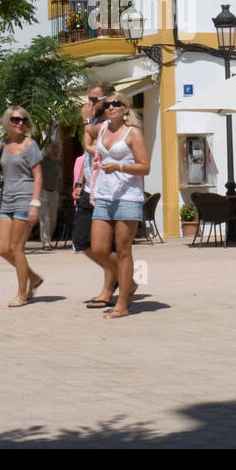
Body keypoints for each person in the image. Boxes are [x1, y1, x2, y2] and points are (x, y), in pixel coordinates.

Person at [88, 93, 150, 319]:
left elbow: (145, 167)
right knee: (98, 248)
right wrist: (87, 115)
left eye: (117, 104)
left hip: (128, 196)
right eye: (108, 105)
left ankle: (122, 303)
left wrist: (120, 167)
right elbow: (87, 133)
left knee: (124, 251)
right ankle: (129, 280)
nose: (111, 107)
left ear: (126, 109)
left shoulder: (133, 133)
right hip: (104, 195)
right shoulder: (103, 128)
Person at [76, 81, 119, 309]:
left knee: (106, 246)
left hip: (107, 190)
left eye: (94, 100)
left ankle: (107, 289)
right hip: (88, 190)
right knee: (81, 240)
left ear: (107, 99)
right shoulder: (93, 122)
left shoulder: (112, 123)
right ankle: (123, 275)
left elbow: (93, 147)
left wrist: (86, 123)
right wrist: (78, 181)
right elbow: (86, 156)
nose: (89, 104)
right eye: (89, 99)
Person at [0, 106, 43, 308]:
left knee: (16, 249)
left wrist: (35, 204)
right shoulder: (4, 146)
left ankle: (22, 294)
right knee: (3, 248)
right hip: (7, 199)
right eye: (15, 119)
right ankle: (33, 277)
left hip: (25, 197)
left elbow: (38, 176)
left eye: (23, 119)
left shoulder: (30, 146)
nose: (20, 123)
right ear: (8, 121)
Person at [38, 138, 62, 250]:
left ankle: (48, 239)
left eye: (58, 151)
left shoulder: (58, 163)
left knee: (53, 218)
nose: (58, 153)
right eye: (55, 151)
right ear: (49, 152)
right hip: (43, 192)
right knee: (44, 218)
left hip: (54, 192)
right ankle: (46, 242)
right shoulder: (43, 162)